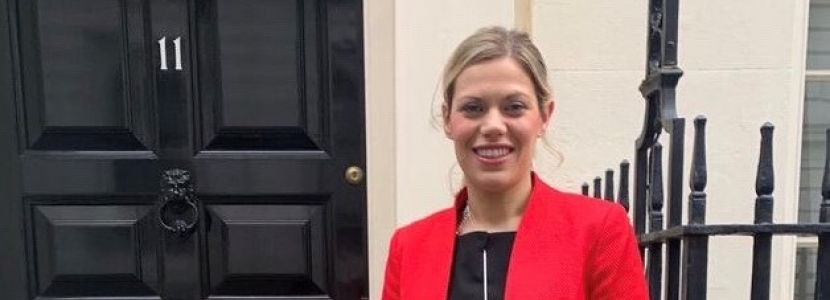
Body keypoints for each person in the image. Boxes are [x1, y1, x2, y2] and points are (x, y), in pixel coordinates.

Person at [381, 26, 648, 300]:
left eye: (514, 107)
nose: (493, 126)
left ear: (544, 116)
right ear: (448, 119)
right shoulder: (409, 246)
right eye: (473, 108)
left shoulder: (599, 230)